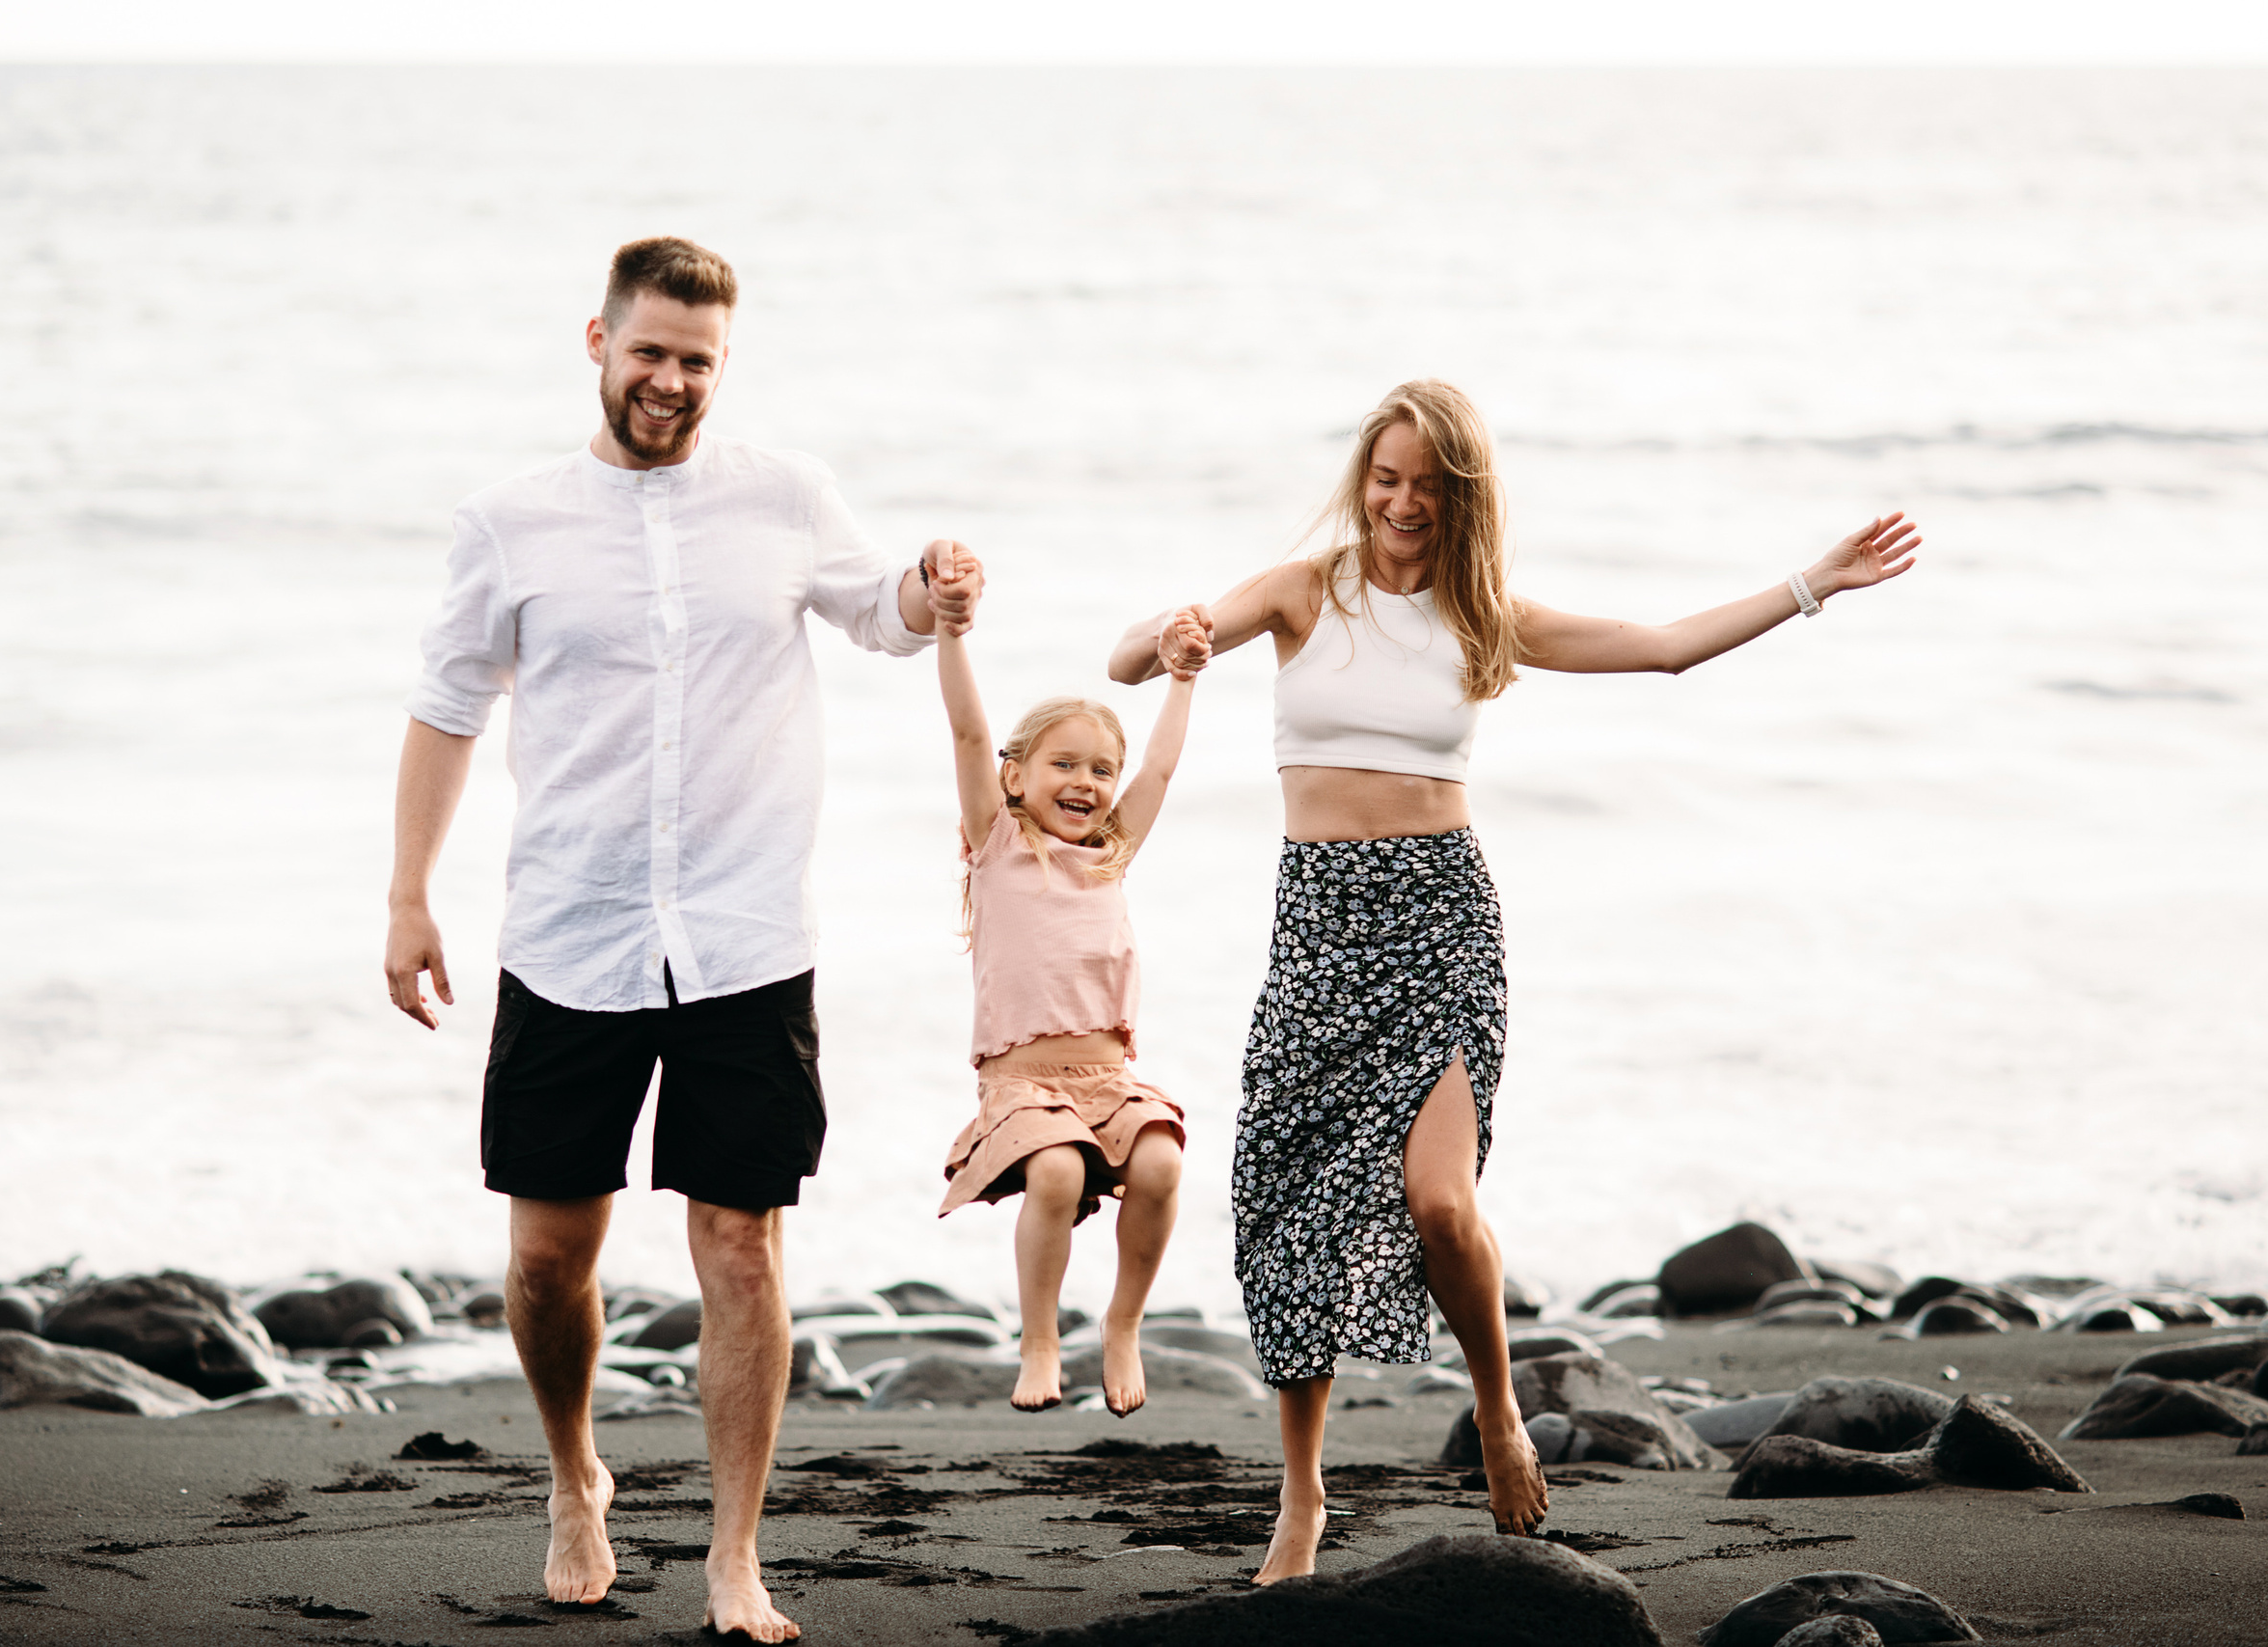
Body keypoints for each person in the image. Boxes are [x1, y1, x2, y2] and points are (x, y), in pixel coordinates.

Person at [1107, 378, 1919, 1580]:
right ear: (1361, 480)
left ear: (1459, 499)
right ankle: (1302, 1496)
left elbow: (1660, 651)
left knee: (1439, 1204)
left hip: (1441, 918)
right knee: (1285, 1210)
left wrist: (1814, 583)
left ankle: (1494, 1409)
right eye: (1385, 480)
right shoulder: (1298, 591)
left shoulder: (1481, 614)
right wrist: (1163, 640)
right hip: (1318, 926)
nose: (1401, 504)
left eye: (1427, 488)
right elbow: (1131, 661)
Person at [384, 234, 981, 1642]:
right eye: (648, 350)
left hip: (746, 931)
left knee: (742, 1243)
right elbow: (448, 703)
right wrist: (409, 892)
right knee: (547, 1257)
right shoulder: (510, 521)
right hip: (571, 929)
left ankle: (732, 1555)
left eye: (697, 360)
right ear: (594, 341)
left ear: (727, 364)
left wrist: (931, 580)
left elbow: (879, 617)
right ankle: (575, 1474)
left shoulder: (785, 498)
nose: (670, 380)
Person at [931, 568, 1203, 1416]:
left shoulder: (1113, 852)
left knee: (1160, 1159)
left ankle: (1121, 1325)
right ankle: (1040, 1338)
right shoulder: (999, 844)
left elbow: (1158, 771)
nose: (1086, 781)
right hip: (1023, 1082)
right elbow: (971, 733)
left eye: (1099, 769)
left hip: (1108, 1078)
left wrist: (1183, 679)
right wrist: (950, 631)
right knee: (1054, 1172)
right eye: (1064, 764)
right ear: (1016, 777)